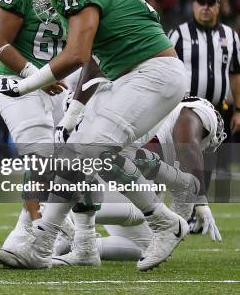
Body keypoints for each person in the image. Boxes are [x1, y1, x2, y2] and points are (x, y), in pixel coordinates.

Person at [0, 0, 189, 271]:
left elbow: (77, 55)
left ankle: (162, 220)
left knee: (94, 149)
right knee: (71, 158)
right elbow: (93, 58)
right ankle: (47, 242)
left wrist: (23, 86)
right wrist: (73, 112)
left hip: (150, 74)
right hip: (130, 76)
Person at [54, 97, 225, 264]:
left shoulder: (160, 123)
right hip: (101, 176)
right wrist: (201, 201)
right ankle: (57, 224)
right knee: (139, 208)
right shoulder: (196, 111)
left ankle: (76, 243)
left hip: (106, 180)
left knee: (145, 244)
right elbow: (188, 145)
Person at [0, 0, 68, 262]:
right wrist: (36, 75)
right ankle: (36, 231)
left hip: (59, 81)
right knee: (38, 148)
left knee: (73, 157)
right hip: (15, 77)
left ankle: (41, 235)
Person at [168, 0, 240, 203]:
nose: (206, 7)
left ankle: (194, 209)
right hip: (186, 107)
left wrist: (239, 109)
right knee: (188, 156)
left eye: (211, 3)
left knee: (207, 163)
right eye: (201, 3)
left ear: (219, 7)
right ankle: (187, 207)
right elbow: (166, 70)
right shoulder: (179, 34)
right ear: (193, 5)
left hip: (217, 110)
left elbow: (235, 74)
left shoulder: (231, 36)